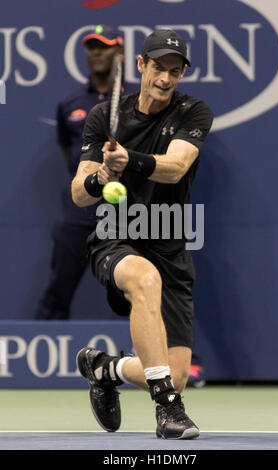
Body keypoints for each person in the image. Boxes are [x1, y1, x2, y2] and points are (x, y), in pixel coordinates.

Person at [72, 29, 213, 439]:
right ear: (141, 66)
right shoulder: (103, 118)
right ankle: (168, 410)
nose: (164, 78)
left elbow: (176, 166)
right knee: (144, 278)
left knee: (177, 373)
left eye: (174, 70)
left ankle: (103, 367)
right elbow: (80, 193)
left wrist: (128, 159)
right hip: (117, 237)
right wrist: (100, 177)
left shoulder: (194, 112)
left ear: (182, 73)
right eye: (157, 67)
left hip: (169, 245)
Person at [35, 25, 135, 320]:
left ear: (122, 53)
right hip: (79, 211)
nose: (97, 53)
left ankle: (157, 359)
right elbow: (71, 153)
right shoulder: (69, 104)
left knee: (144, 289)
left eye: (104, 46)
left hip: (128, 212)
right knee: (57, 289)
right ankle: (44, 353)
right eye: (92, 47)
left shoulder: (141, 101)